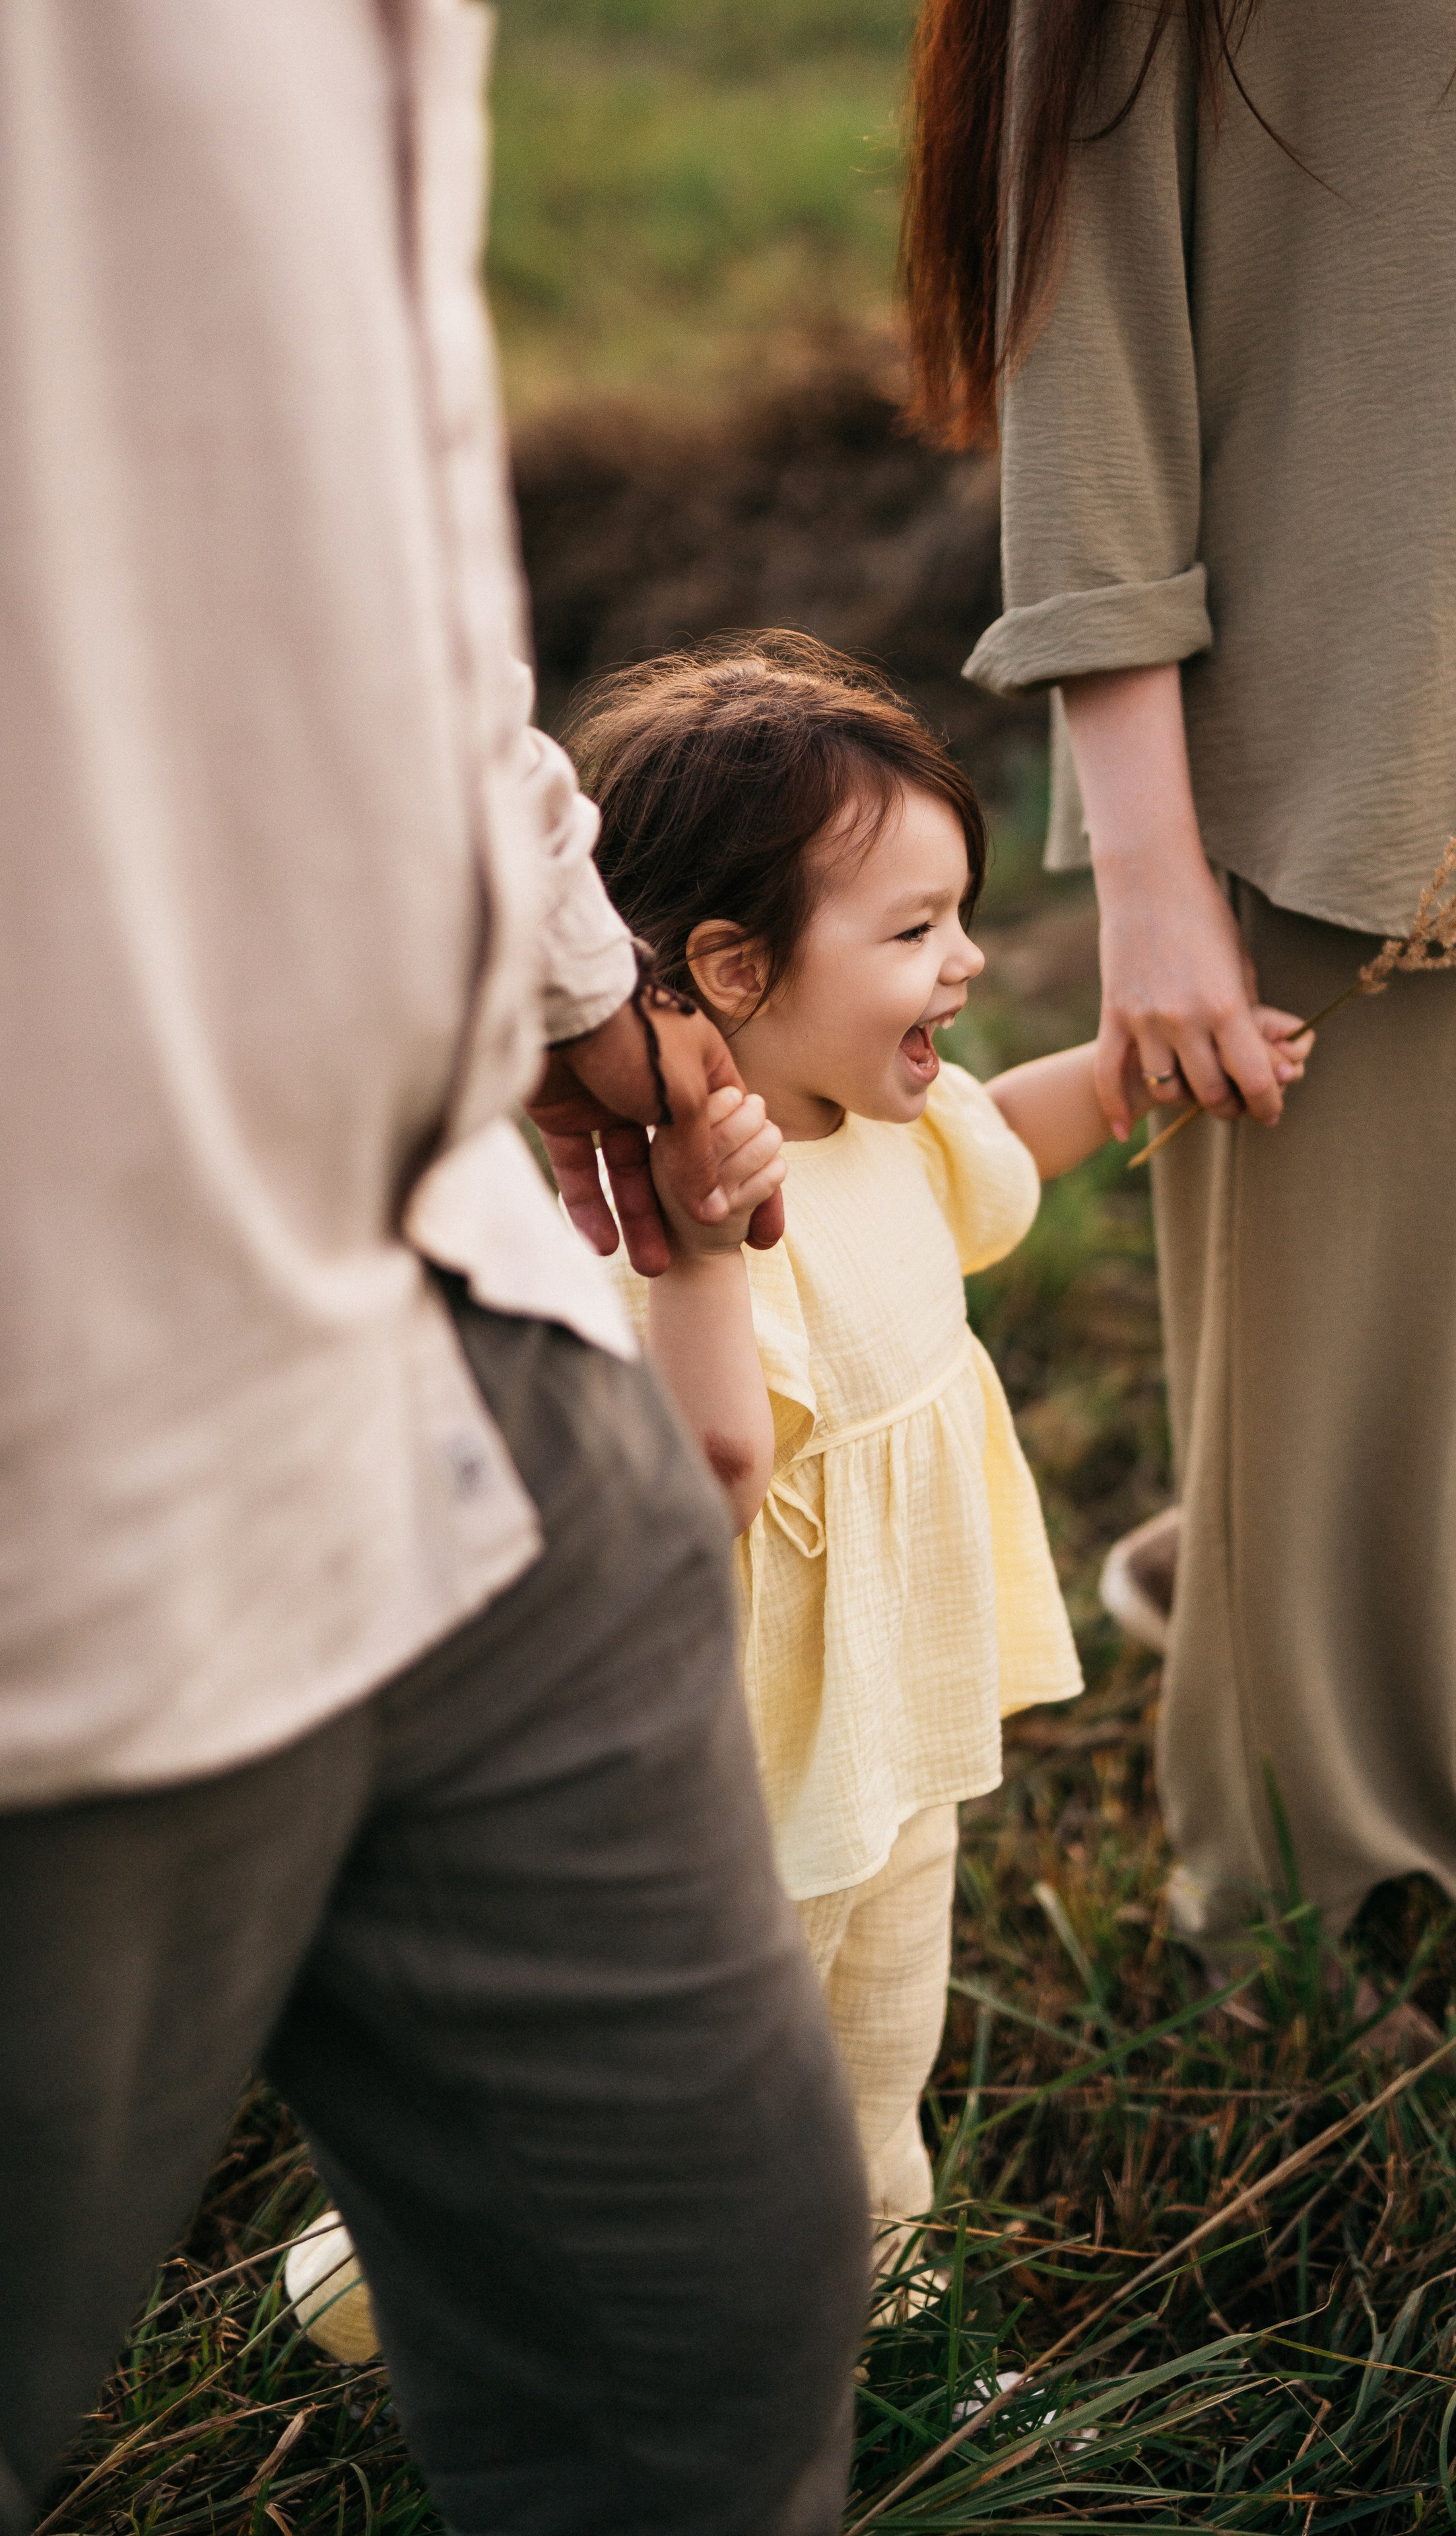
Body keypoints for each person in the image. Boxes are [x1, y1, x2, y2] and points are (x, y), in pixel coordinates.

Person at [0, 10, 867, 2530]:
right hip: (74, 1429)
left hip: (462, 1325)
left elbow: (362, 460)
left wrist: (565, 955)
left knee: (708, 2313)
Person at [901, 0, 1456, 1954]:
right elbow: (1081, 341)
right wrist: (1152, 871)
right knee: (1327, 1383)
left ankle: (1258, 1595)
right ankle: (1287, 1935)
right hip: (1338, 744)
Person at [570, 636, 1309, 2233]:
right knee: (690, 2096)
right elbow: (702, 1476)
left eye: (959, 914)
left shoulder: (865, 1123)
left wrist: (1135, 1070)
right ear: (728, 969)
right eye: (913, 930)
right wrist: (702, 1252)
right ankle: (442, 2291)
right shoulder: (672, 1216)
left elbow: (1003, 1133)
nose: (964, 960)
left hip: (888, 1735)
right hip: (736, 1782)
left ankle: (877, 2315)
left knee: (874, 2055)